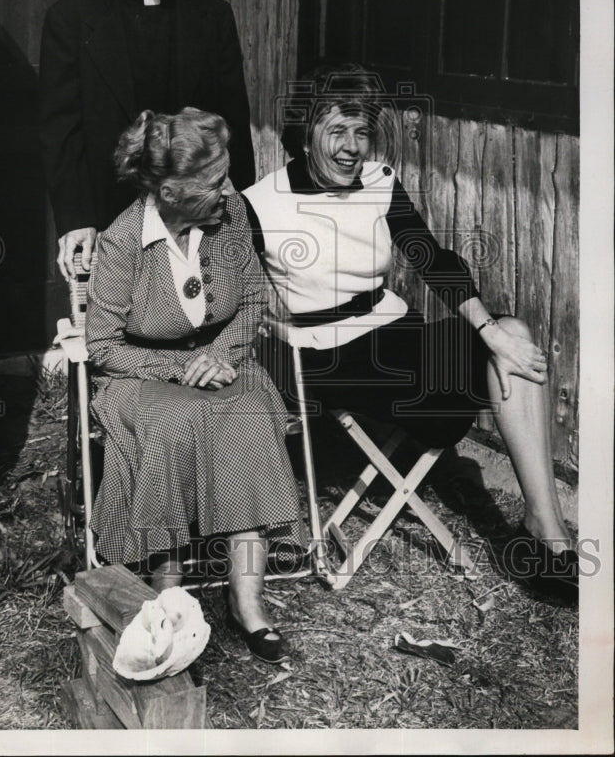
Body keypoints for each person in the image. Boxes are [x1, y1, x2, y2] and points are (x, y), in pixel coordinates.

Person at [243, 64, 578, 602]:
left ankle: (545, 527)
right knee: (465, 371)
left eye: (362, 132)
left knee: (511, 336)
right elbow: (217, 280)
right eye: (338, 132)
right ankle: (544, 536)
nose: (353, 147)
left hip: (394, 330)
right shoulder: (259, 203)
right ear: (307, 132)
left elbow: (432, 258)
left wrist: (488, 329)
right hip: (326, 355)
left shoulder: (379, 182)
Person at [85, 107, 303, 663]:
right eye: (212, 183)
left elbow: (254, 298)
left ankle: (246, 602)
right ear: (169, 190)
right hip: (139, 375)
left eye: (225, 174)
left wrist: (221, 354)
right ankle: (169, 602)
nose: (229, 191)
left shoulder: (228, 222)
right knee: (172, 424)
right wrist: (182, 369)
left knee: (249, 416)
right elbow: (103, 347)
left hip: (221, 364)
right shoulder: (122, 244)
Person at [39, 0, 255, 281]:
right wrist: (76, 218)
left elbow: (233, 121)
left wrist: (239, 212)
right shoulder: (72, 19)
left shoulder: (213, 17)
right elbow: (61, 130)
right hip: (111, 216)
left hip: (195, 213)